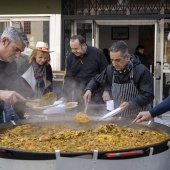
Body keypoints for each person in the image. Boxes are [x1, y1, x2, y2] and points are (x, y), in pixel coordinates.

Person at [84, 41, 154, 118]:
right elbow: (96, 80)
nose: (114, 64)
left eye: (117, 60)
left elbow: (148, 95)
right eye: (112, 60)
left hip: (140, 116)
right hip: (121, 118)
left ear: (127, 57)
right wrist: (89, 89)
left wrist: (130, 104)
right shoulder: (110, 69)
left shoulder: (141, 71)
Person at [61, 35, 109, 104]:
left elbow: (106, 73)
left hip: (97, 93)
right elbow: (68, 78)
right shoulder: (70, 58)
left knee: (96, 114)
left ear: (83, 45)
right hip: (79, 94)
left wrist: (106, 90)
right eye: (72, 48)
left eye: (76, 48)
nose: (74, 51)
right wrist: (64, 96)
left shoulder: (97, 54)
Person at [0, 26, 29, 122]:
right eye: (16, 49)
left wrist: (27, 103)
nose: (18, 55)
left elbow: (15, 88)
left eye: (20, 51)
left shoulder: (11, 64)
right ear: (4, 41)